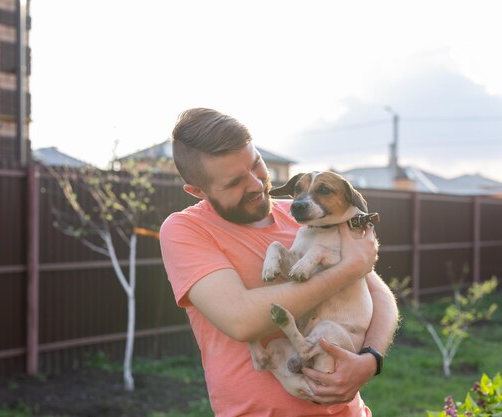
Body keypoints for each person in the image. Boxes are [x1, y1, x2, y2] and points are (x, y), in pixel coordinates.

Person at [160, 108, 399, 417]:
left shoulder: (309, 215)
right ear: (198, 191)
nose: (256, 185)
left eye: (256, 165)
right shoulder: (187, 230)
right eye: (234, 182)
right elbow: (242, 320)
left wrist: (371, 359)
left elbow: (379, 294)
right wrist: (350, 267)